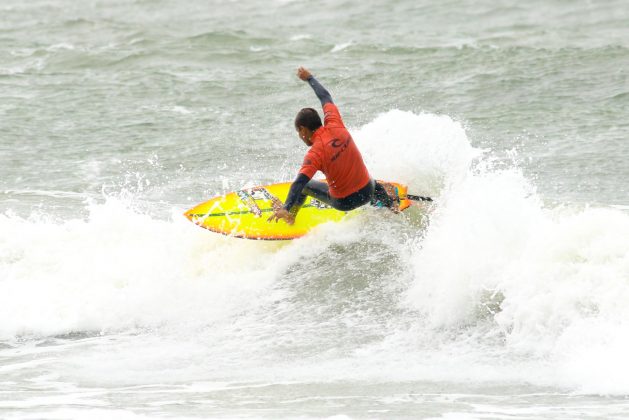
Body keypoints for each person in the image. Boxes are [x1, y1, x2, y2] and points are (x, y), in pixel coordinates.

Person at [268, 67, 394, 225]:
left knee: (307, 185)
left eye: (298, 132)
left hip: (345, 203)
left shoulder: (315, 153)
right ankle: (390, 205)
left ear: (303, 129)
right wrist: (309, 78)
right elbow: (325, 97)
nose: (300, 137)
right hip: (368, 192)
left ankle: (290, 216)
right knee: (371, 181)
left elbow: (299, 183)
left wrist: (286, 206)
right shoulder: (334, 121)